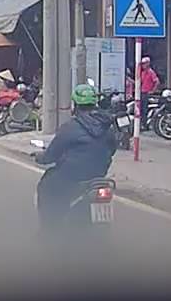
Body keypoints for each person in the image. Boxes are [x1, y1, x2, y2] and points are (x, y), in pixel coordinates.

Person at [32, 84, 118, 228]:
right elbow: (112, 149)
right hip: (99, 176)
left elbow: (51, 155)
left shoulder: (70, 127)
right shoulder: (107, 127)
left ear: (75, 105)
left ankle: (48, 227)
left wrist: (40, 157)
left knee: (46, 186)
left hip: (72, 177)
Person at [138, 56, 159, 127]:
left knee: (144, 109)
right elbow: (140, 82)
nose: (143, 65)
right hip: (141, 92)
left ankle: (144, 124)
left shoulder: (151, 72)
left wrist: (153, 90)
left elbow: (157, 82)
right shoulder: (143, 73)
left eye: (144, 63)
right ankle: (141, 123)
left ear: (148, 63)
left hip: (146, 93)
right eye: (142, 64)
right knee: (140, 109)